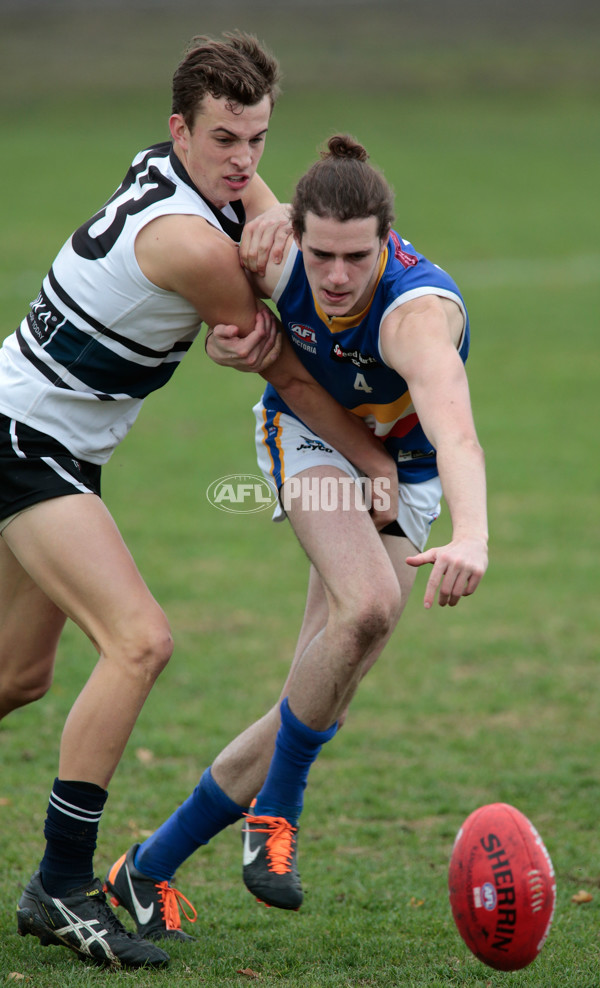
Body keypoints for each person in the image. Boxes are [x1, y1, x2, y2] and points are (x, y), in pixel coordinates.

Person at [1, 29, 396, 969]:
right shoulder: (186, 241)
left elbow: (266, 212)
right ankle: (61, 884)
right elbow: (294, 375)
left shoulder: (175, 170)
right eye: (224, 139)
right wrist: (375, 460)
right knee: (139, 643)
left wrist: (273, 207)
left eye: (257, 139)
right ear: (181, 131)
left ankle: (58, 883)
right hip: (25, 444)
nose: (243, 160)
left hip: (44, 438)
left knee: (19, 676)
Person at [104, 135, 488, 937]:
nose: (338, 277)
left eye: (357, 256)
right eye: (322, 257)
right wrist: (230, 340)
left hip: (407, 472)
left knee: (318, 689)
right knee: (373, 605)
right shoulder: (281, 254)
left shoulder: (417, 316)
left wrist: (472, 535)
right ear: (298, 239)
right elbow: (228, 215)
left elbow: (458, 436)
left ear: (389, 241)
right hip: (309, 437)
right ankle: (276, 815)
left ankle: (144, 869)